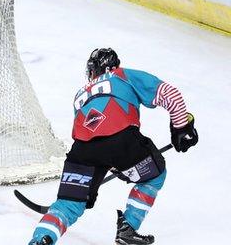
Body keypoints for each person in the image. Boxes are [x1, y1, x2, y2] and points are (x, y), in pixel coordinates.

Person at [27, 48, 198, 245]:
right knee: (155, 175)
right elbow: (171, 95)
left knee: (68, 205)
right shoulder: (122, 75)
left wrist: (108, 164)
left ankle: (39, 240)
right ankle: (128, 228)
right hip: (122, 142)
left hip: (81, 150)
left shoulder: (80, 94)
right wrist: (181, 128)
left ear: (92, 70)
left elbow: (93, 135)